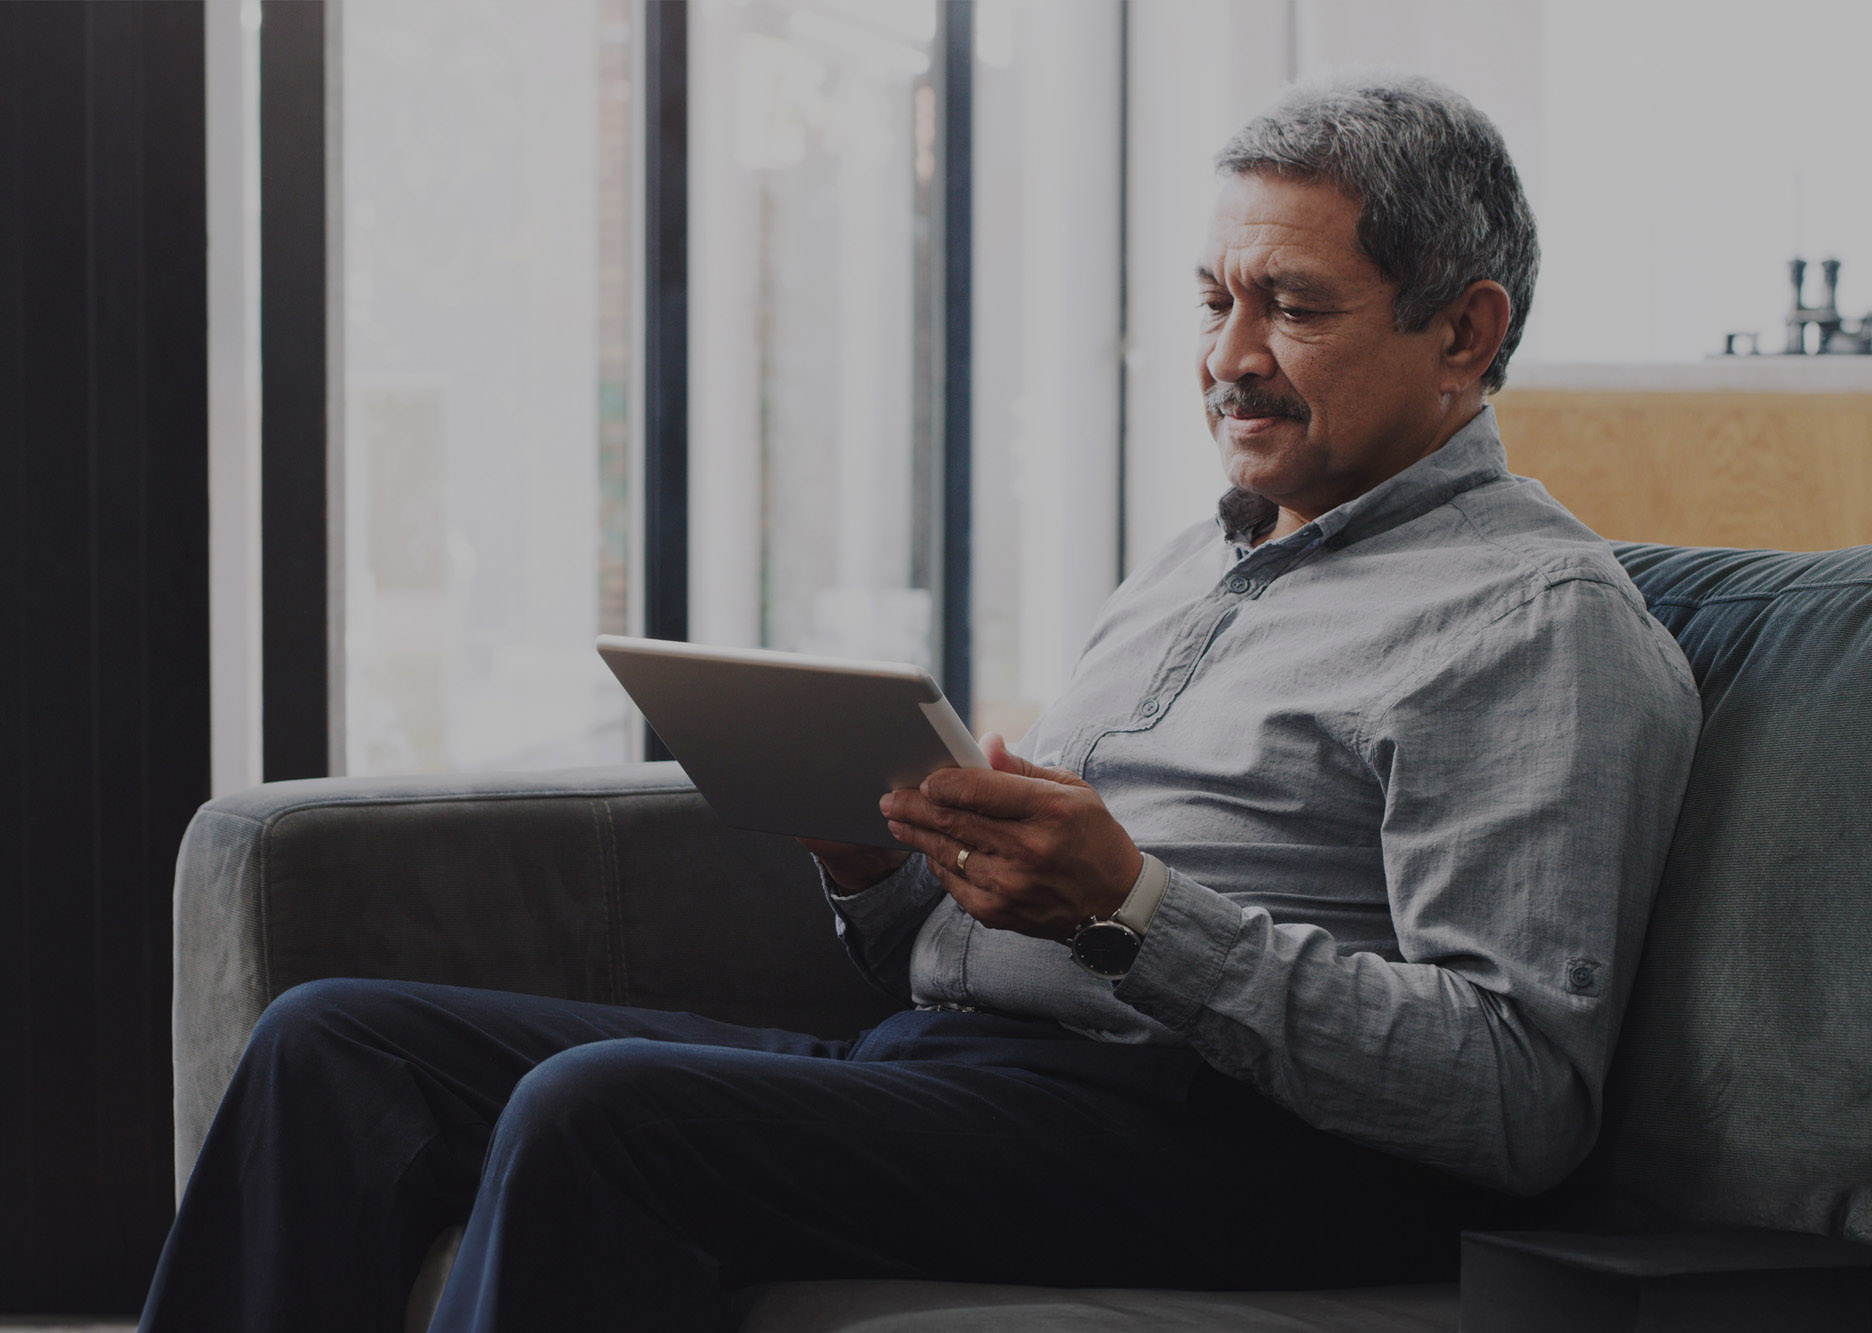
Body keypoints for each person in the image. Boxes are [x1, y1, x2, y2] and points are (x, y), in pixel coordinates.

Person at [138, 76, 1699, 1333]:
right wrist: (881, 867)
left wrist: (1139, 908)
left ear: (1467, 331)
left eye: (1290, 305)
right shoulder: (1197, 564)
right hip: (962, 1069)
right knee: (334, 1047)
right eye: (1214, 298)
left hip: (1242, 1145)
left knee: (602, 1114)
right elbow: (990, 954)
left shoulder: (1536, 623)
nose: (1229, 356)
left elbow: (1516, 1096)